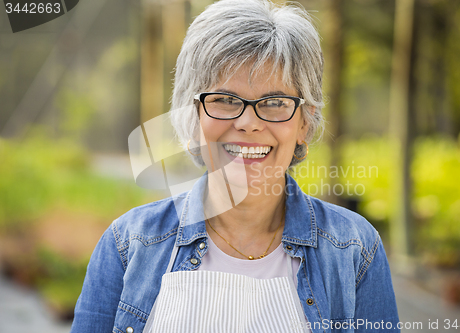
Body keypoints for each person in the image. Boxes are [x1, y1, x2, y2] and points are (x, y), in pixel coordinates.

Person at [70, 0, 400, 332]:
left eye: (274, 102)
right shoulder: (128, 244)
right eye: (225, 100)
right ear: (193, 117)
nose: (247, 122)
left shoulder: (356, 249)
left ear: (305, 121)